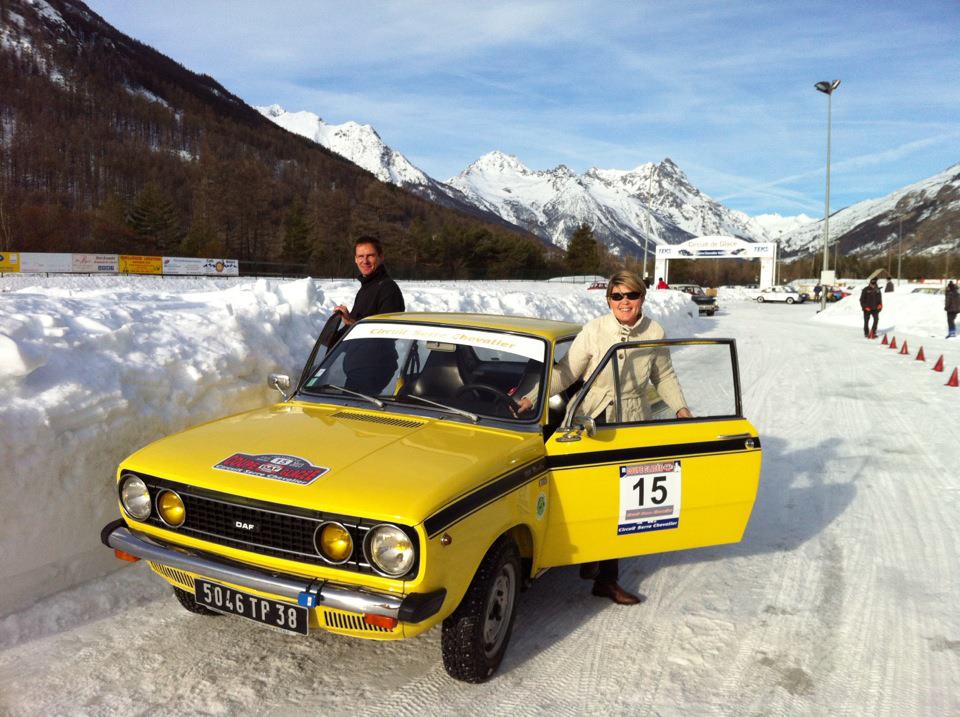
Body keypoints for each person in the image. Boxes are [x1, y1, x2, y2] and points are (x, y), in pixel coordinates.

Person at [516, 270, 691, 605]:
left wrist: (681, 408)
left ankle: (607, 579)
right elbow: (567, 372)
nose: (624, 302)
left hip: (632, 420)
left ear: (642, 297)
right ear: (608, 300)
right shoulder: (594, 329)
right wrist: (532, 398)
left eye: (631, 295)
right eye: (617, 296)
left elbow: (664, 375)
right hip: (591, 416)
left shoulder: (655, 331)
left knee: (623, 501)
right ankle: (587, 551)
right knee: (585, 490)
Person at [332, 236, 405, 393]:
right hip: (358, 367)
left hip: (373, 368)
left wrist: (352, 323)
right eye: (360, 256)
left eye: (370, 255)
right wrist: (334, 338)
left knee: (349, 407)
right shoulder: (367, 288)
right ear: (355, 259)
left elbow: (388, 332)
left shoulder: (388, 289)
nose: (365, 261)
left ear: (381, 257)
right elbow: (359, 323)